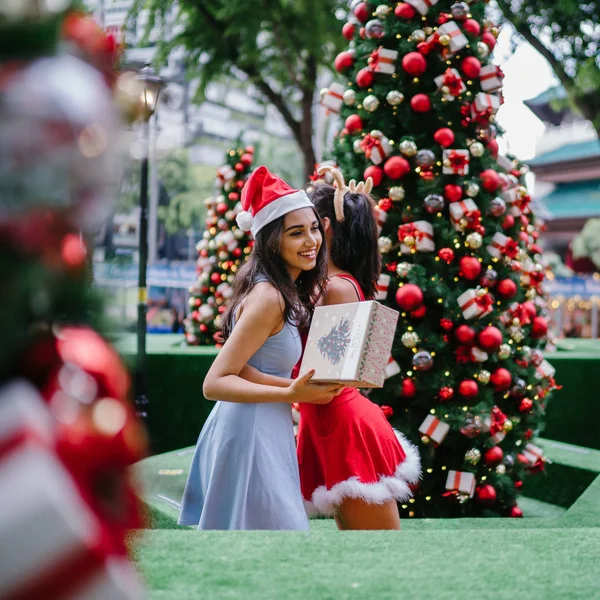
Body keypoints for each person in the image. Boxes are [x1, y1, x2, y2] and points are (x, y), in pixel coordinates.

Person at [178, 166, 342, 531]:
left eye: (314, 228)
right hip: (250, 431)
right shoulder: (269, 296)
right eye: (296, 233)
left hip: (261, 425)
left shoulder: (281, 288)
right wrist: (291, 390)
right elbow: (215, 382)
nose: (311, 240)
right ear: (271, 241)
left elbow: (245, 366)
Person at [296, 166, 421, 530]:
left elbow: (325, 373)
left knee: (375, 550)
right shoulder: (337, 283)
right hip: (332, 418)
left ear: (325, 226)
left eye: (307, 223)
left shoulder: (335, 287)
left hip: (340, 422)